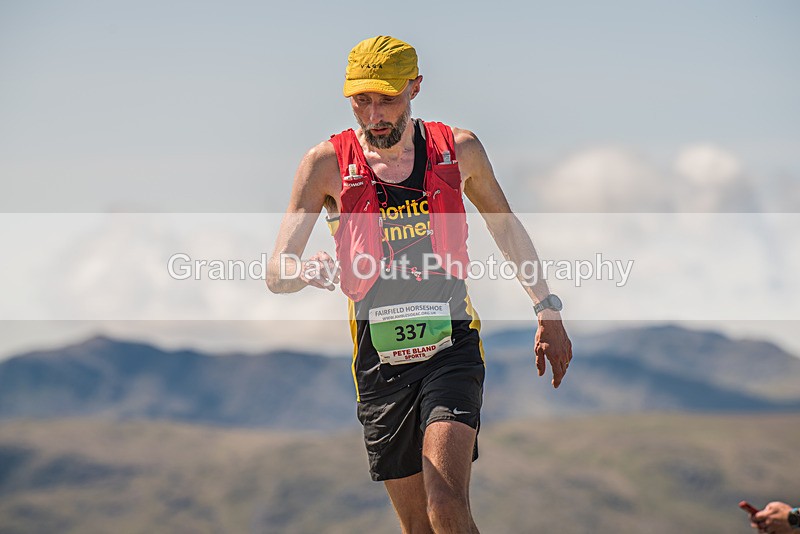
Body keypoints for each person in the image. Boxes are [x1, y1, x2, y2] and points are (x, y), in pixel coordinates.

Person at [267, 35, 572, 533]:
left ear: (415, 87)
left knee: (446, 505)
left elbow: (505, 225)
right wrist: (304, 271)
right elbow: (276, 272)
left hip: (451, 346)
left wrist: (547, 308)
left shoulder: (458, 150)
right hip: (379, 363)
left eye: (386, 98)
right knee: (419, 527)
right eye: (360, 100)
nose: (373, 114)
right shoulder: (324, 164)